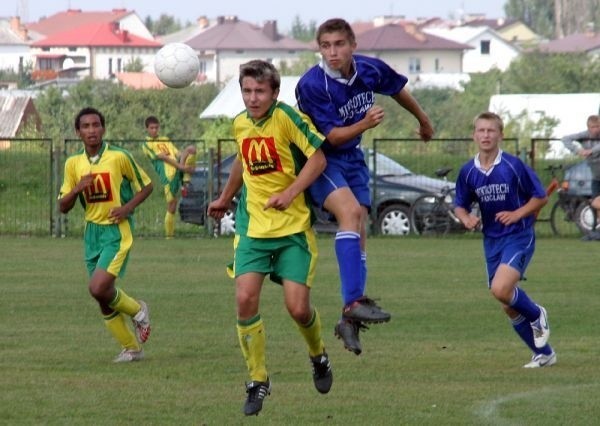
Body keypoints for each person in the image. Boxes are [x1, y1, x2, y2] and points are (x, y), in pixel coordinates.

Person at [295, 18, 434, 355]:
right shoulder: (312, 85)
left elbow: (397, 88)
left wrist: (423, 119)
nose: (332, 52)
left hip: (352, 158)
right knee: (350, 213)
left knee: (360, 229)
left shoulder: (369, 68)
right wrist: (365, 122)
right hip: (320, 159)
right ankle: (354, 302)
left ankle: (349, 319)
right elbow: (331, 136)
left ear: (353, 44)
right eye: (325, 46)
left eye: (339, 44)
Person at [207, 60, 332, 416]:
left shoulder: (287, 119)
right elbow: (241, 163)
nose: (253, 97)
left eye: (260, 91)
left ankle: (318, 355)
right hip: (252, 230)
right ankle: (257, 380)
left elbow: (318, 159)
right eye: (247, 91)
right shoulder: (240, 123)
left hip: (292, 230)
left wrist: (291, 193)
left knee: (297, 308)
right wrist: (224, 197)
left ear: (274, 92)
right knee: (245, 299)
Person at [454, 111, 555, 369]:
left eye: (491, 130)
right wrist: (466, 219)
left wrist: (517, 214)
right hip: (492, 240)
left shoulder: (512, 165)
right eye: (481, 130)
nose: (486, 135)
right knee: (507, 303)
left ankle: (536, 314)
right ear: (474, 135)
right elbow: (460, 206)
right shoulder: (468, 171)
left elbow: (540, 196)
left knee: (501, 289)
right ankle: (544, 353)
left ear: (500, 135)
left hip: (519, 235)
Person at [58, 107, 153, 363]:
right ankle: (132, 349)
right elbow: (63, 206)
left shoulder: (119, 156)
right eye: (86, 126)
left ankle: (138, 310)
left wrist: (127, 208)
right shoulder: (73, 164)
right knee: (102, 296)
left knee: (98, 287)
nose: (92, 130)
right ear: (78, 132)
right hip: (91, 233)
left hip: (116, 232)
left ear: (103, 128)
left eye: (96, 125)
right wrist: (77, 188)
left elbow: (147, 186)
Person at [142, 116, 197, 239]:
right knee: (172, 205)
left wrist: (188, 162)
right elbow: (164, 158)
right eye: (152, 128)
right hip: (168, 175)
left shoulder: (165, 139)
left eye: (156, 127)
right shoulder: (147, 144)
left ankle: (186, 178)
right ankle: (169, 236)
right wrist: (182, 167)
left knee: (191, 149)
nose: (155, 130)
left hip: (178, 167)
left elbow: (177, 153)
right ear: (147, 129)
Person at [561, 114, 600, 240]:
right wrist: (577, 151)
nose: (596, 129)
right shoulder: (583, 136)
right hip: (596, 176)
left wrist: (591, 151)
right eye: (593, 127)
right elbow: (565, 139)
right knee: (596, 203)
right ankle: (596, 232)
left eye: (598, 126)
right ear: (588, 128)